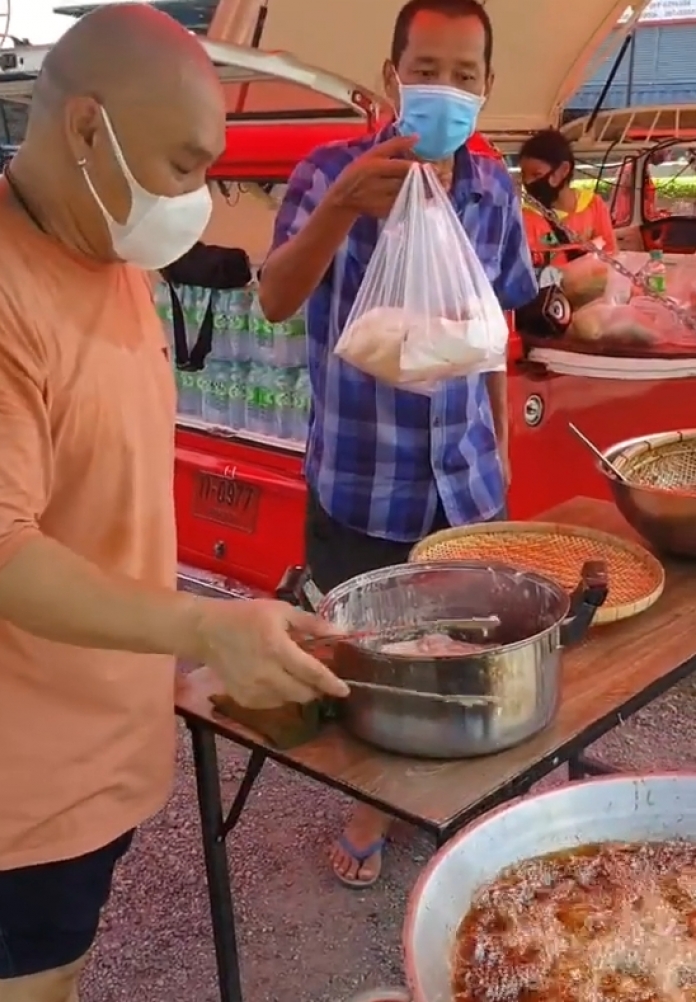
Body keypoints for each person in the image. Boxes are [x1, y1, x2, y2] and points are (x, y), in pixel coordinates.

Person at [0, 6, 348, 1002]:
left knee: (66, 964)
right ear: (87, 129)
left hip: (103, 723)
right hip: (15, 760)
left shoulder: (106, 254)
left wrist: (184, 643)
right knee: (34, 984)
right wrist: (204, 624)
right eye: (185, 166)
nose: (197, 198)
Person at [258, 0, 538, 889]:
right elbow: (275, 297)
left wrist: (500, 443)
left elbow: (493, 332)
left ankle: (447, 788)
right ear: (392, 78)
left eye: (464, 75)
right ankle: (373, 797)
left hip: (467, 479)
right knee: (371, 658)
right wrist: (345, 205)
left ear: (486, 88)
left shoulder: (493, 192)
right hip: (363, 476)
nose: (444, 89)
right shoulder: (328, 173)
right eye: (426, 70)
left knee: (460, 643)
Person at [519, 128, 617, 273]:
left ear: (563, 170)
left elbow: (611, 252)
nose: (528, 182)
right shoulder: (528, 217)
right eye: (524, 175)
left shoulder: (593, 204)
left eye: (536, 174)